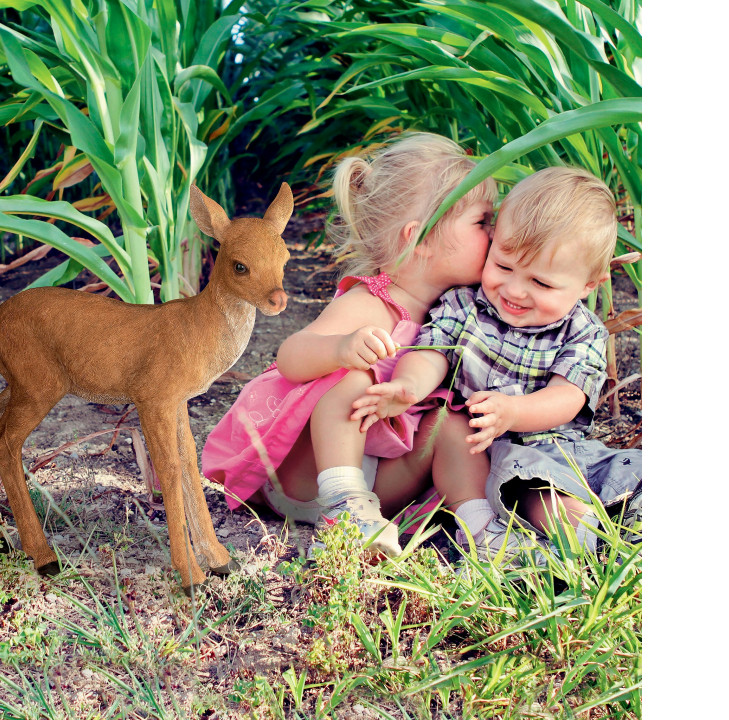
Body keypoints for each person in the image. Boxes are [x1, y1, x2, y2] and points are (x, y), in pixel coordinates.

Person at [202, 132, 512, 558]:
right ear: (419, 239)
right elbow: (290, 357)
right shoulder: (371, 301)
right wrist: (341, 349)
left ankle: (479, 523)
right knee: (355, 376)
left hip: (380, 480)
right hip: (309, 475)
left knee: (452, 423)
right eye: (482, 221)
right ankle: (342, 509)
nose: (495, 233)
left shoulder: (458, 310)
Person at [351, 166, 642, 556]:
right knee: (519, 487)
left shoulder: (583, 333)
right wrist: (409, 386)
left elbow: (568, 396)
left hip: (544, 448)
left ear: (590, 284)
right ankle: (581, 541)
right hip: (466, 451)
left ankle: (602, 537)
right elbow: (433, 351)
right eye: (503, 266)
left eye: (541, 283)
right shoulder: (464, 304)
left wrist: (514, 412)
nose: (515, 290)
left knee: (565, 484)